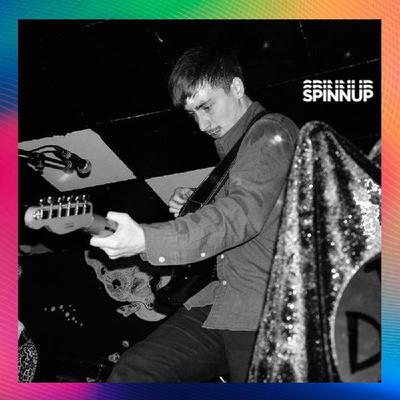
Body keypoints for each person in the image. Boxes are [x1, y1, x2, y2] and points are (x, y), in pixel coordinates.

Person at [90, 46, 299, 382]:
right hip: (218, 302)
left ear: (236, 87)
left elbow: (242, 213)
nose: (201, 125)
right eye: (192, 114)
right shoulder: (234, 153)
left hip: (263, 308)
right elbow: (247, 207)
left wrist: (146, 238)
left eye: (206, 107)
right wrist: (200, 202)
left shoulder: (270, 130)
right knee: (133, 374)